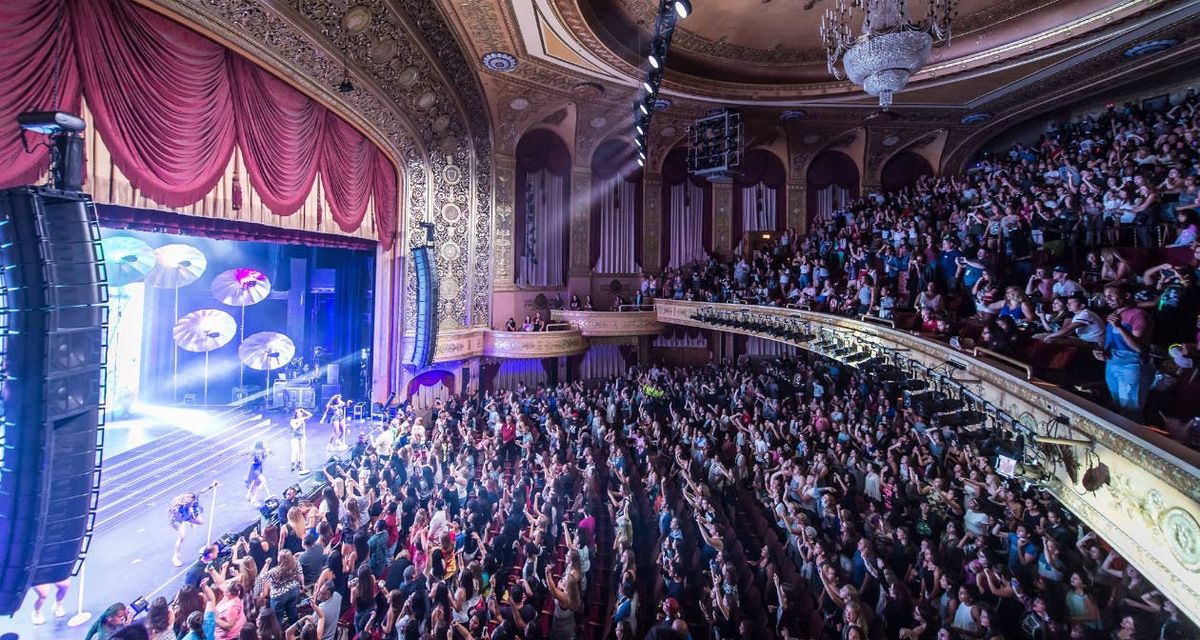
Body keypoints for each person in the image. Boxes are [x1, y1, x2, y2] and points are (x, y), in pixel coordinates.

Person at [1094, 283, 1154, 419]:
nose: (1107, 299)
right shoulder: (1115, 314)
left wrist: (1120, 327)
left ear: (1126, 295)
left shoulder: (1138, 315)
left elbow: (1138, 348)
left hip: (1131, 366)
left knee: (1130, 411)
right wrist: (1102, 352)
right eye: (1105, 296)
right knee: (1118, 407)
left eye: (1111, 295)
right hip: (1112, 363)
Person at [169, 490, 207, 567]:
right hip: (179, 520)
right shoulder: (178, 509)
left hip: (188, 516)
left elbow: (201, 491)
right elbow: (179, 519)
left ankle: (190, 522)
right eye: (190, 504)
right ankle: (176, 557)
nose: (192, 504)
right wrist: (188, 515)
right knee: (181, 537)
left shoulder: (194, 498)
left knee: (201, 522)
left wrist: (212, 485)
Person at [289, 408, 312, 473]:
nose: (300, 414)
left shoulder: (303, 419)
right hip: (295, 437)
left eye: (301, 413)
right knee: (295, 450)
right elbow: (295, 427)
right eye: (299, 413)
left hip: (302, 437)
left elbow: (310, 415)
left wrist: (303, 410)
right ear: (296, 414)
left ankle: (299, 462)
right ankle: (292, 463)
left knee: (302, 450)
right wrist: (300, 422)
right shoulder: (293, 420)